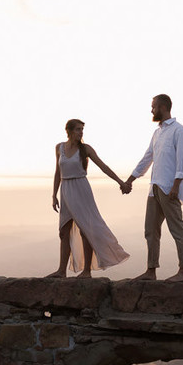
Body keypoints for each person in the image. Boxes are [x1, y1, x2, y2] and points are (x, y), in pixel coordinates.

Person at [48, 119, 130, 278]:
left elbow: (103, 166)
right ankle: (61, 271)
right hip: (65, 190)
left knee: (86, 228)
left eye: (82, 129)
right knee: (64, 231)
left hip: (81, 189)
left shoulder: (85, 149)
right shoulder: (59, 148)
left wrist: (121, 182)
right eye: (78, 129)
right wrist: (54, 195)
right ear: (69, 131)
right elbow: (58, 172)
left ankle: (87, 271)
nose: (81, 132)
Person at [124, 94, 183, 282]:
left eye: (153, 106)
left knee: (177, 228)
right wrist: (130, 179)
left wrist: (177, 185)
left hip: (169, 188)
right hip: (154, 188)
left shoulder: (179, 130)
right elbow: (147, 158)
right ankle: (151, 270)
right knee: (151, 230)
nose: (151, 110)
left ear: (162, 107)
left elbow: (182, 160)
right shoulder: (157, 132)